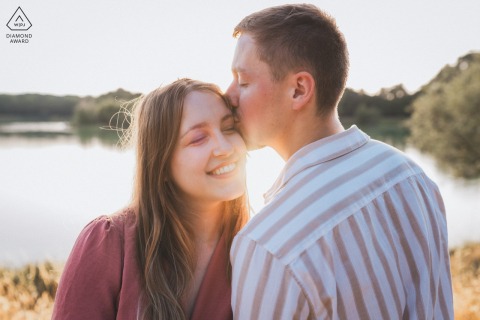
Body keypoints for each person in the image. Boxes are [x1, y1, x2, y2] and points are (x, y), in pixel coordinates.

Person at [225, 4, 453, 319]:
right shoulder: (410, 175)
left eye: (243, 81)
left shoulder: (270, 245)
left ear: (299, 89)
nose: (229, 94)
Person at [52, 78, 249, 320]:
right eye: (198, 138)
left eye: (229, 128)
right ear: (161, 164)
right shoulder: (108, 244)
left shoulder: (259, 250)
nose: (225, 147)